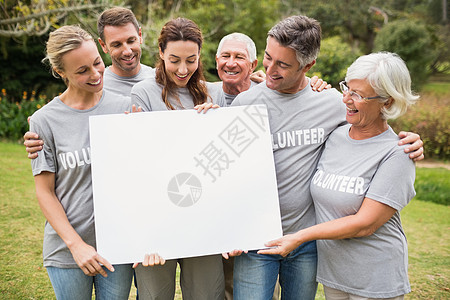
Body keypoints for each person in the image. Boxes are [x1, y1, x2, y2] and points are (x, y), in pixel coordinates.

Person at [229, 16, 424, 300]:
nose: (270, 70)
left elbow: (374, 129)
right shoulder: (245, 104)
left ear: (308, 67)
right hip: (257, 239)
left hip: (309, 242)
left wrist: (411, 142)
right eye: (268, 58)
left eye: (282, 64)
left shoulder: (333, 104)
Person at [29, 25, 133, 299]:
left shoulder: (124, 108)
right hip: (66, 251)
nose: (96, 73)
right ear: (60, 72)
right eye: (82, 71)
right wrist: (76, 245)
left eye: (97, 63)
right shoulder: (44, 120)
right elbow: (45, 191)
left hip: (117, 246)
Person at [130, 17, 225, 300]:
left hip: (203, 217)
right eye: (174, 60)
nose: (183, 69)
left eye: (191, 60)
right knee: (155, 295)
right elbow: (139, 161)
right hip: (157, 217)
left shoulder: (215, 92)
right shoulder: (143, 93)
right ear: (160, 52)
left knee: (207, 294)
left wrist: (217, 121)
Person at [24, 6, 153, 157]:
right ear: (103, 45)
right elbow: (69, 121)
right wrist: (40, 134)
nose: (127, 51)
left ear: (140, 35)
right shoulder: (94, 85)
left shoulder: (161, 81)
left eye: (131, 40)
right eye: (117, 44)